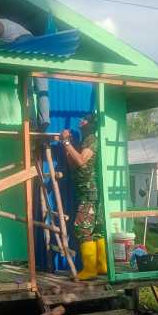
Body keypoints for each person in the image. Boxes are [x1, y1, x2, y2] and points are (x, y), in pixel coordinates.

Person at [61, 112, 107, 280]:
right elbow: (73, 165)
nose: (81, 121)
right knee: (96, 230)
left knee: (82, 228)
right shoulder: (84, 141)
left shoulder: (92, 140)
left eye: (85, 119)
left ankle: (90, 269)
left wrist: (66, 142)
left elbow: (80, 160)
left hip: (90, 191)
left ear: (92, 124)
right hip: (85, 191)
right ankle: (102, 266)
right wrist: (69, 145)